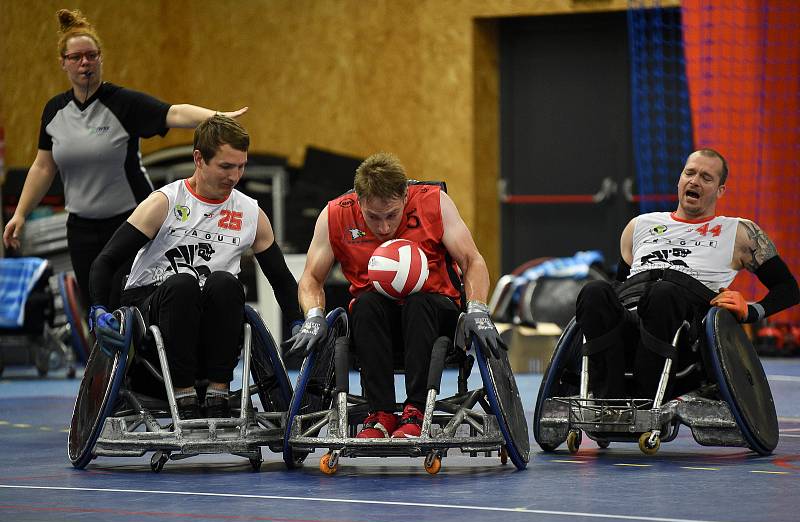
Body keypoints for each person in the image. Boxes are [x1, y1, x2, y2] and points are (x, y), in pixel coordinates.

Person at [2, 8, 248, 309]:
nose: (85, 63)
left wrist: (218, 117)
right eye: (76, 58)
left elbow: (175, 112)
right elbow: (43, 166)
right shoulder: (54, 112)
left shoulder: (121, 103)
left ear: (100, 58)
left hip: (130, 221)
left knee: (126, 305)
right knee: (95, 305)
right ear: (63, 63)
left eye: (91, 56)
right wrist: (21, 214)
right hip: (80, 227)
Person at [88, 115, 302, 419]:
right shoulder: (164, 202)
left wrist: (297, 321)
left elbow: (280, 278)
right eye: (226, 167)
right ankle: (183, 393)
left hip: (210, 323)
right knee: (182, 284)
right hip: (153, 319)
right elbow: (106, 261)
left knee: (226, 283)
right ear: (199, 159)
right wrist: (98, 308)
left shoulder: (250, 213)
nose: (234, 176)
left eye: (241, 166)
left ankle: (218, 390)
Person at [286, 152, 506, 438]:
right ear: (359, 201)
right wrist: (314, 316)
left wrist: (478, 308)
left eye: (391, 215)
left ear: (405, 197)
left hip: (435, 313)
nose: (384, 228)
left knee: (418, 302)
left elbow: (471, 261)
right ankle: (380, 415)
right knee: (364, 304)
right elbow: (312, 278)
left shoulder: (433, 202)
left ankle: (415, 410)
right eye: (373, 217)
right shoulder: (336, 214)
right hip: (378, 321)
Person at [576, 148, 799, 399]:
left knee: (663, 293)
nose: (694, 181)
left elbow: (788, 288)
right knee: (593, 291)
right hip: (632, 318)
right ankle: (608, 403)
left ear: (720, 190)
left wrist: (751, 310)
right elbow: (620, 286)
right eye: (689, 173)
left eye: (706, 177)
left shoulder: (739, 232)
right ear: (680, 180)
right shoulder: (639, 226)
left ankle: (646, 400)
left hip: (684, 330)